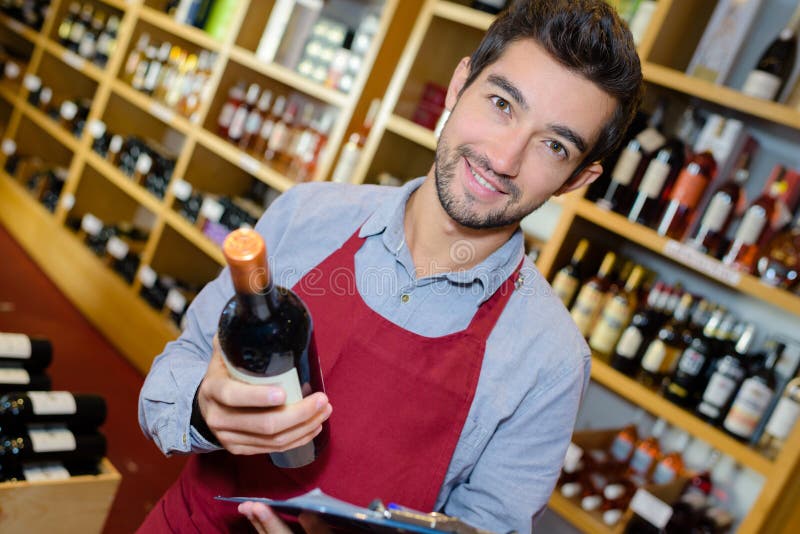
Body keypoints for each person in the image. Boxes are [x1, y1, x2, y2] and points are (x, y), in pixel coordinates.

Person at [138, 0, 642, 532]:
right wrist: (202, 409)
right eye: (501, 103)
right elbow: (172, 375)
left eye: (554, 145)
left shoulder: (552, 362)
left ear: (576, 181)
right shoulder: (307, 215)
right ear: (458, 85)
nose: (504, 157)